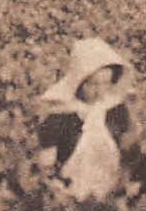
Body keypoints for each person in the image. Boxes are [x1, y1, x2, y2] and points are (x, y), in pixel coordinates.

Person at [36, 38, 134, 201]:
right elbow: (47, 162)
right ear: (79, 83)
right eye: (93, 84)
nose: (100, 91)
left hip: (110, 190)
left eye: (105, 83)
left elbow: (128, 149)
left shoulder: (116, 111)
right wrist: (58, 190)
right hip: (70, 191)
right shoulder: (60, 115)